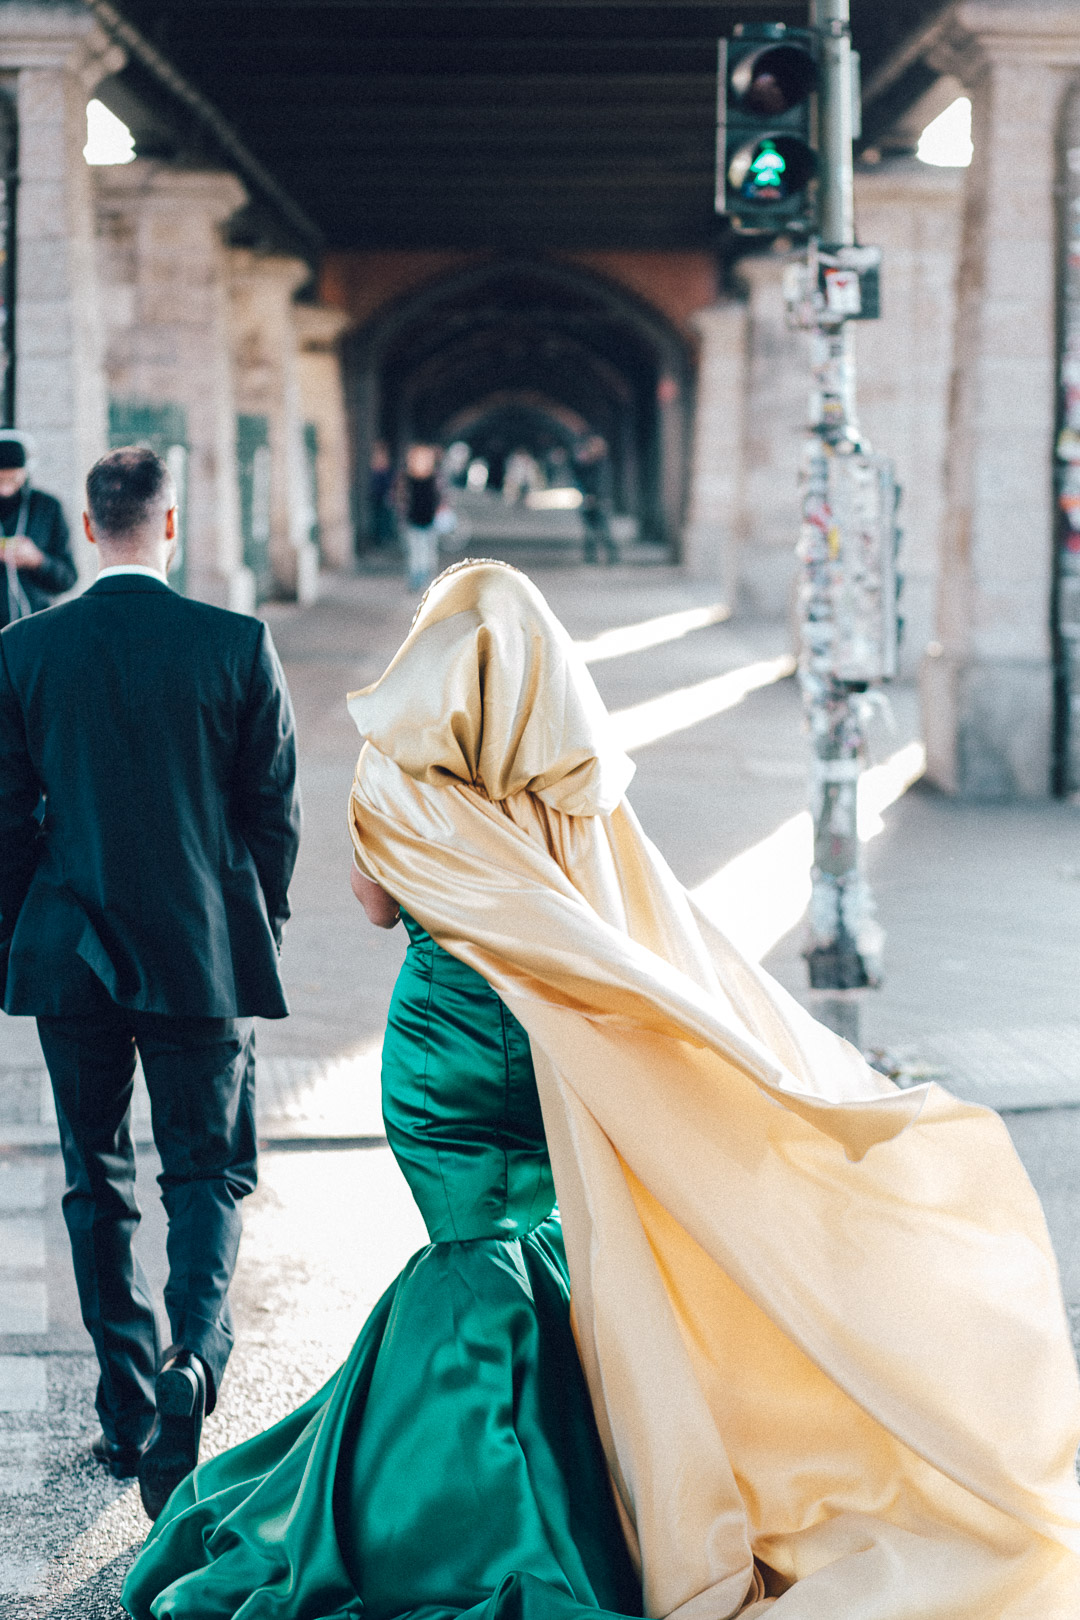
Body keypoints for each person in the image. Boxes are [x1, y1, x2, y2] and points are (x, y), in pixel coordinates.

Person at [122, 560, 1080, 1619]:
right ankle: (578, 1501)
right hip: (549, 1050)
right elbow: (624, 935)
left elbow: (376, 909)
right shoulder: (572, 790)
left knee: (469, 1257)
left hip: (437, 1051)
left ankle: (450, 1515)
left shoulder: (396, 780)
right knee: (546, 1257)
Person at [0, 446, 301, 1521]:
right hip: (198, 953)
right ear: (170, 528)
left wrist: (20, 939)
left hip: (68, 954)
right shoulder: (235, 643)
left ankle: (127, 1407)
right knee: (205, 1173)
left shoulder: (25, 650)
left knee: (95, 1177)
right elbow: (271, 809)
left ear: (87, 528)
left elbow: (6, 824)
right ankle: (196, 1362)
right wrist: (247, 923)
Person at [0, 429, 77, 627]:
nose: (5, 487)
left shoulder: (47, 507)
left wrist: (37, 560)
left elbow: (68, 578)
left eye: (13, 479)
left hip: (36, 627)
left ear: (25, 472)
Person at [399, 442, 442, 593]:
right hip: (413, 519)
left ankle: (426, 578)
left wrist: (440, 509)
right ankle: (416, 578)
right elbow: (400, 497)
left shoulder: (434, 477)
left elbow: (441, 497)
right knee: (415, 550)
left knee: (428, 551)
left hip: (430, 519)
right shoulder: (407, 478)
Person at [574, 435, 618, 565]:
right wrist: (581, 462)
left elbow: (603, 483)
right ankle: (591, 557)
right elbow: (578, 476)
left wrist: (595, 496)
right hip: (588, 500)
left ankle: (612, 557)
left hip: (600, 501)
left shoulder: (602, 464)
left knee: (604, 531)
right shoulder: (587, 464)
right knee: (589, 532)